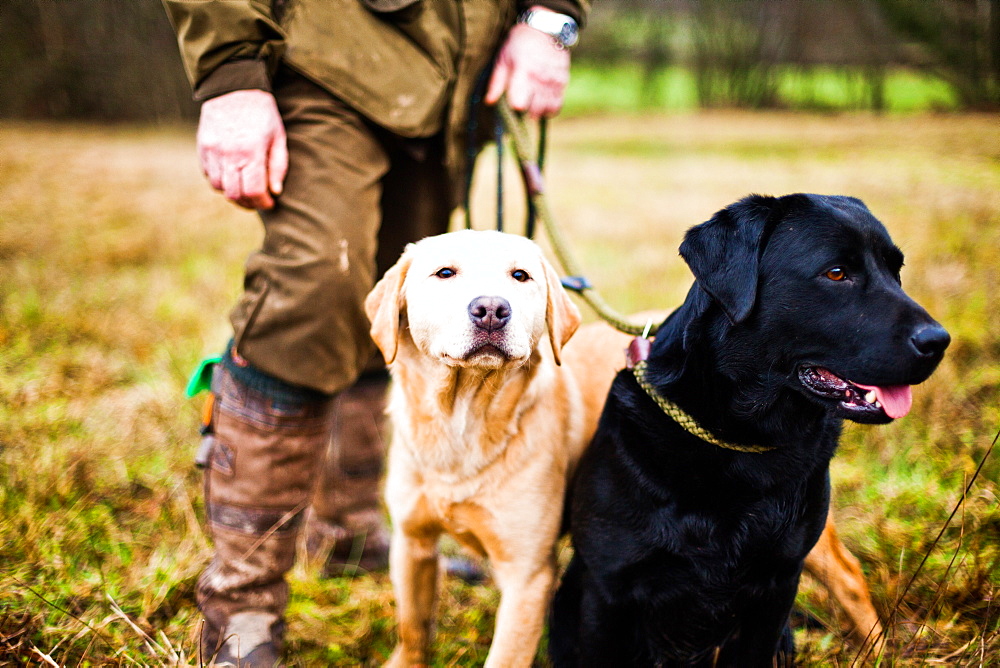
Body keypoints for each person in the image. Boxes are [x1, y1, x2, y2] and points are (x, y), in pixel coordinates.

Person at [162, 0, 588, 665]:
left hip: (457, 77)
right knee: (316, 291)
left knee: (411, 312)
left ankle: (353, 534)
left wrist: (550, 16)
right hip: (323, 54)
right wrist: (231, 70)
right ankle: (242, 605)